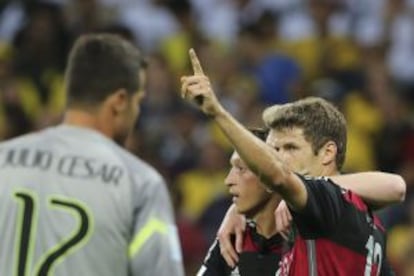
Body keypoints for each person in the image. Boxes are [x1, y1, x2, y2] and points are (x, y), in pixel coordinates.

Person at [180, 49, 405, 275]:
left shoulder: (326, 203)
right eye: (274, 149)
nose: (278, 157)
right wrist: (239, 209)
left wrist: (217, 112)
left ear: (327, 153)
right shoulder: (364, 218)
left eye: (290, 148)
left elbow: (397, 187)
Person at [0, 34, 184, 276]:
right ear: (119, 101)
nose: (137, 112)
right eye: (137, 101)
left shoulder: (5, 157)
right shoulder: (139, 182)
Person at [197, 128, 290, 276]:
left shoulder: (305, 242)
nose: (228, 181)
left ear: (272, 176)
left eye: (241, 169)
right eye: (231, 168)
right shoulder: (232, 238)